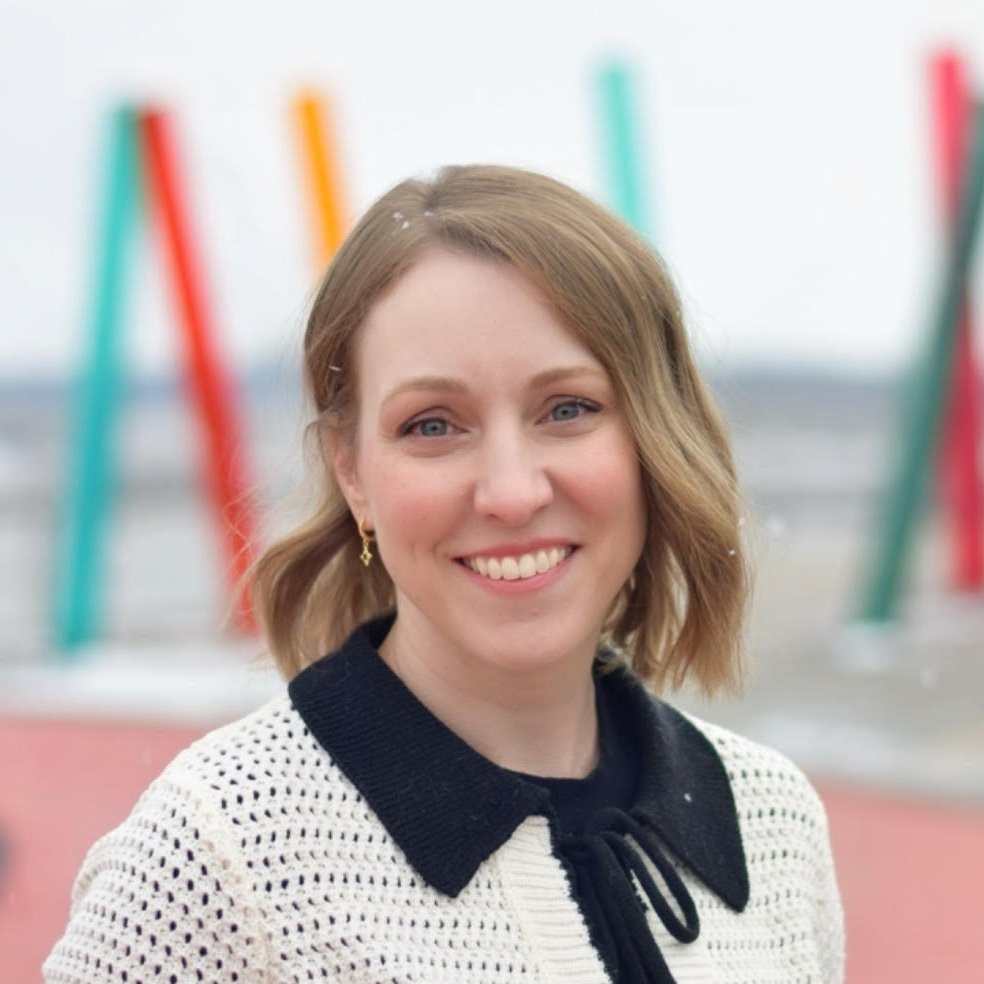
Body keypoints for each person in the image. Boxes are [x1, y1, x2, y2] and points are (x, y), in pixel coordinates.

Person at [45, 165, 844, 984]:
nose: (511, 492)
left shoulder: (772, 820)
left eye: (567, 408)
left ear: (653, 436)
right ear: (352, 472)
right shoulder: (223, 856)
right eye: (433, 425)